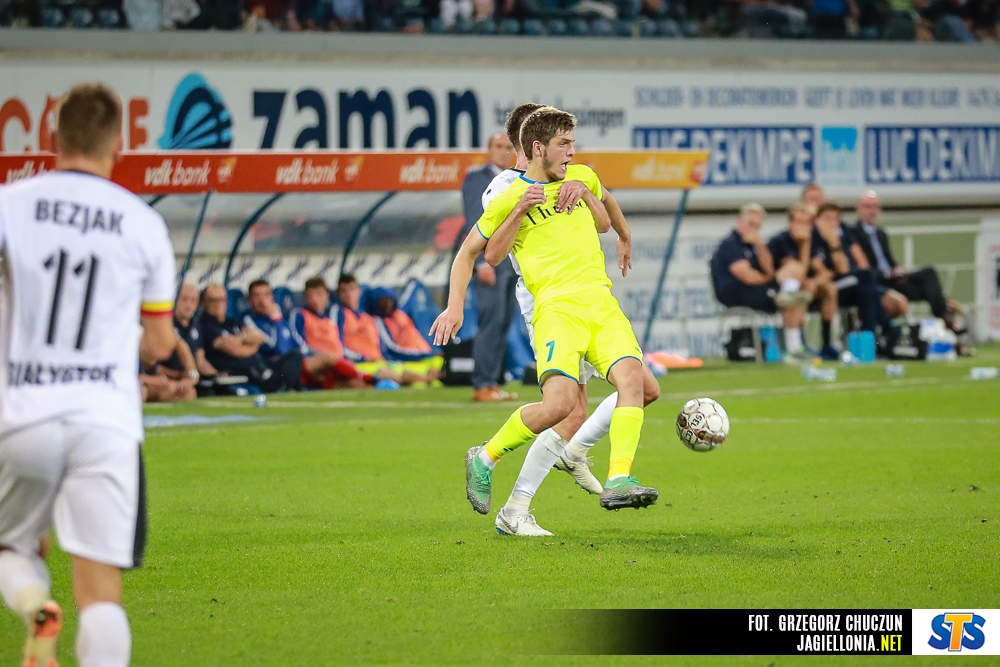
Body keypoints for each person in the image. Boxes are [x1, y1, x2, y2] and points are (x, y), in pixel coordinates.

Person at [0, 82, 177, 667]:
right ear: (118, 144)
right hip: (106, 419)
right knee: (102, 598)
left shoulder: (10, 203)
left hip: (23, 411)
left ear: (52, 137)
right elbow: (158, 344)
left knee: (10, 546)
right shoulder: (142, 223)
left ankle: (34, 606)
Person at [432, 106, 656, 532]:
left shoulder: (581, 175)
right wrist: (455, 304)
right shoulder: (505, 191)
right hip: (552, 307)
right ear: (537, 146)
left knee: (637, 383)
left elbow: (604, 217)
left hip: (601, 304)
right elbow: (487, 254)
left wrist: (609, 218)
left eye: (572, 143)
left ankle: (617, 478)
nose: (572, 152)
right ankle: (491, 464)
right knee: (563, 407)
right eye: (564, 144)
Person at [709, 203, 815, 359]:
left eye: (757, 226)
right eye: (751, 224)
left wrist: (760, 245)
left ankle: (795, 347)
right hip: (737, 292)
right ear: (740, 221)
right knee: (792, 290)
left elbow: (769, 269)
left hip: (757, 290)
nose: (754, 229)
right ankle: (793, 347)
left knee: (795, 292)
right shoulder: (731, 244)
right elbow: (748, 277)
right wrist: (769, 280)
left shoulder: (753, 245)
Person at [851, 191, 964, 334]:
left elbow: (889, 260)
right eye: (867, 207)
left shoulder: (881, 233)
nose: (872, 211)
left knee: (929, 273)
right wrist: (885, 274)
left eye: (875, 207)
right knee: (932, 293)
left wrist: (897, 270)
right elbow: (861, 265)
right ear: (858, 209)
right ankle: (945, 318)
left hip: (893, 279)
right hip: (876, 281)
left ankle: (942, 317)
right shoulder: (853, 233)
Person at [460, 132, 518, 402]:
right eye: (498, 146)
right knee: (490, 322)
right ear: (488, 150)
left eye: (508, 147)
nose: (504, 151)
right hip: (490, 262)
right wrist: (482, 262)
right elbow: (475, 219)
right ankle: (481, 383)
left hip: (510, 262)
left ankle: (492, 382)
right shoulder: (477, 179)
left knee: (503, 323)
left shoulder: (515, 178)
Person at [811, 201, 909, 332]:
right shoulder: (814, 238)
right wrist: (834, 243)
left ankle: (872, 333)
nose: (832, 223)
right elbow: (842, 269)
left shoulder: (845, 233)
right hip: (835, 286)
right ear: (817, 220)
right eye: (827, 219)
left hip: (858, 282)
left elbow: (862, 263)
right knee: (866, 280)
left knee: (888, 299)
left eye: (835, 219)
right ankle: (879, 330)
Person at [766, 204, 840, 360]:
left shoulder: (816, 240)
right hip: (777, 289)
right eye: (798, 222)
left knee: (829, 289)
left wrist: (817, 281)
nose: (802, 227)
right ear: (790, 223)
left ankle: (827, 343)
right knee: (801, 291)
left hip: (804, 287)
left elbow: (826, 270)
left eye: (806, 223)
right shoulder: (781, 241)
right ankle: (795, 347)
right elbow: (799, 271)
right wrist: (805, 245)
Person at [198, 284, 301, 392]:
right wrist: (248, 342)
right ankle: (284, 387)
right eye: (213, 300)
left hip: (257, 362)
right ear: (203, 302)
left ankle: (286, 386)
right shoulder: (205, 325)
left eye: (222, 300)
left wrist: (241, 341)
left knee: (295, 356)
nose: (218, 304)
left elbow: (259, 338)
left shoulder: (231, 322)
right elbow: (234, 350)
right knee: (275, 379)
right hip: (239, 369)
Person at [289, 276, 377, 389]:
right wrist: (320, 354)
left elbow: (338, 343)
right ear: (304, 297)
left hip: (336, 364)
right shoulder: (299, 314)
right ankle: (369, 377)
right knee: (328, 357)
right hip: (314, 361)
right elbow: (299, 344)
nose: (314, 299)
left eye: (318, 294)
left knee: (358, 385)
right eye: (310, 295)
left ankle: (376, 382)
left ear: (326, 295)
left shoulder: (330, 317)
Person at [335, 274, 418, 386]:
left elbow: (384, 349)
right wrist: (363, 358)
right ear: (339, 294)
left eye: (352, 289)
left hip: (379, 363)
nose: (348, 294)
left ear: (359, 291)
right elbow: (337, 345)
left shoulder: (371, 319)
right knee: (394, 377)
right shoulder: (338, 314)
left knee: (408, 371)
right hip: (359, 364)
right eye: (344, 291)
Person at [367, 287, 444, 384]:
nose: (388, 304)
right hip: (408, 359)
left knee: (441, 363)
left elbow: (410, 298)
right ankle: (425, 380)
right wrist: (425, 354)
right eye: (383, 300)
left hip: (422, 356)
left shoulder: (400, 314)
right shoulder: (378, 321)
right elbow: (392, 349)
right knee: (412, 375)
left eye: (390, 299)